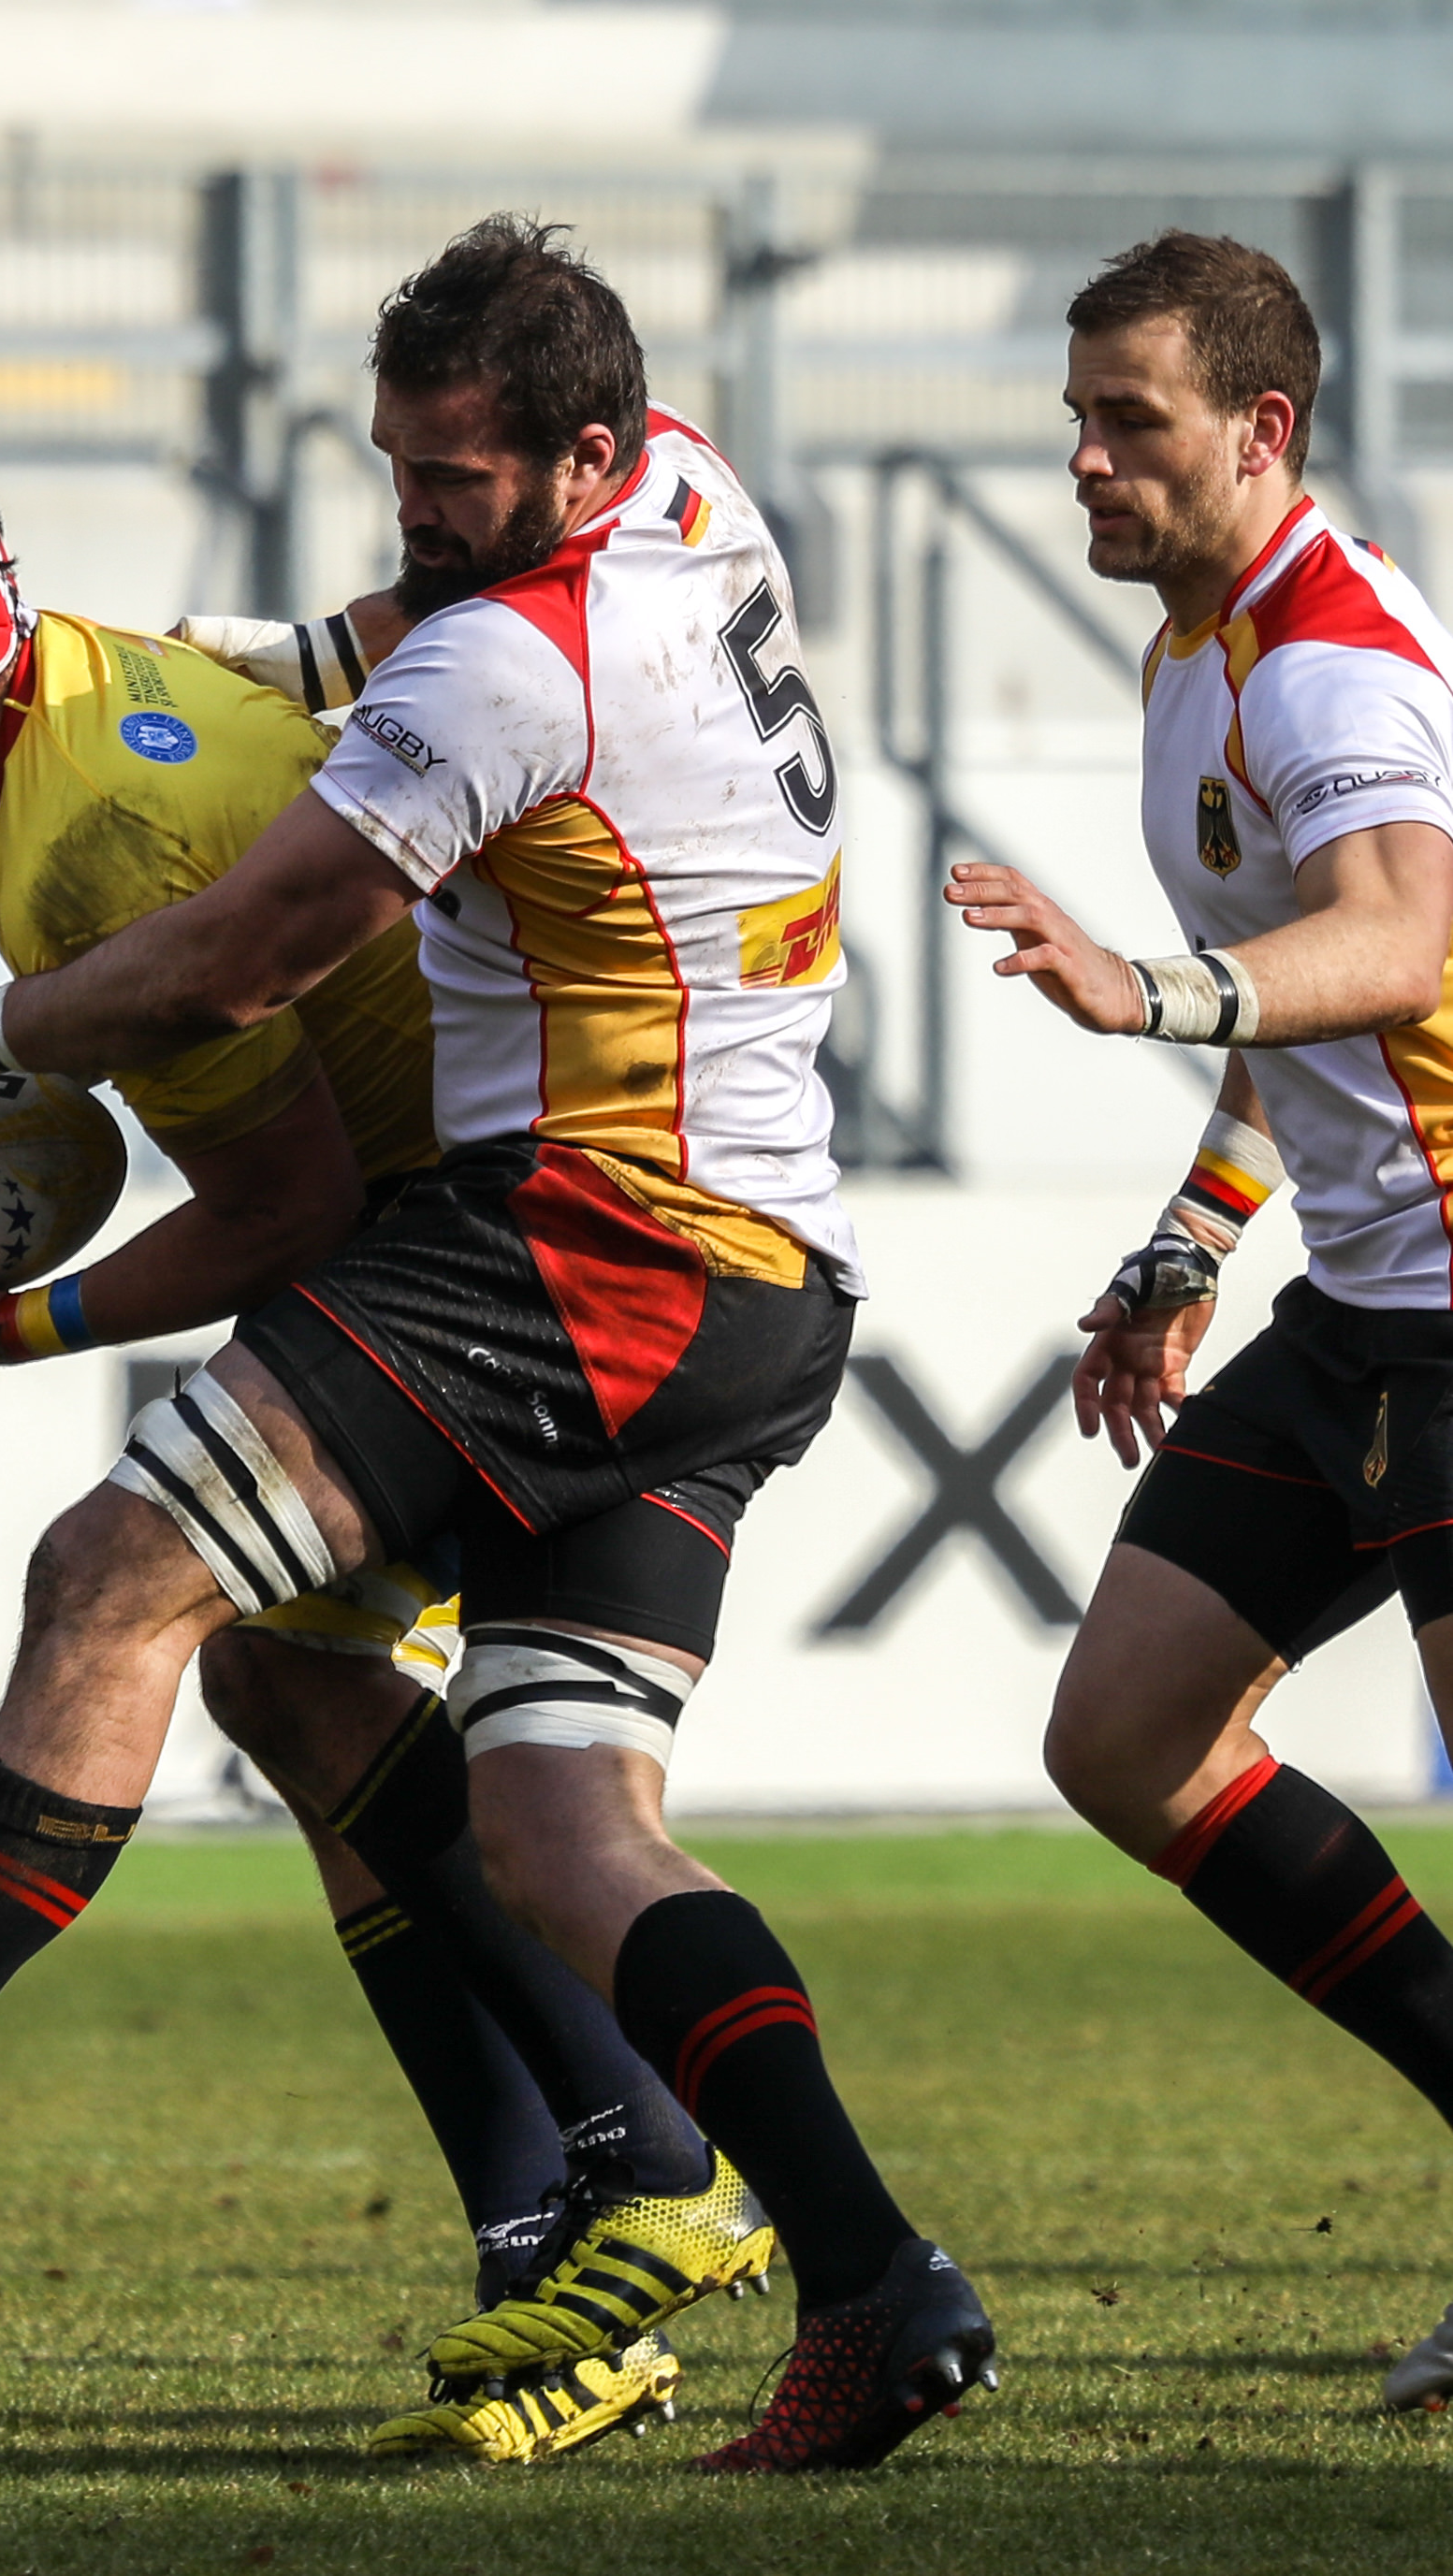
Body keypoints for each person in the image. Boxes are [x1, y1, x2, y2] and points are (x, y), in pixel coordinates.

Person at [0, 219, 993, 2476]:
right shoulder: (682, 495)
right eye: (394, 467)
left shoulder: (459, 688)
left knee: (112, 1580)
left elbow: (241, 982)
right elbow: (397, 639)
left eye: (451, 479)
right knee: (531, 1813)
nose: (414, 513)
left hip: (576, 1240)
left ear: (579, 451)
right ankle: (846, 2271)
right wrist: (277, 648)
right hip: (756, 1263)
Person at [0, 441, 767, 2460]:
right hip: (518, 1220)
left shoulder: (84, 836)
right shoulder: (80, 701)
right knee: (290, 1678)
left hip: (520, 1251)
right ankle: (570, 2221)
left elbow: (287, 1207)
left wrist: (14, 1317)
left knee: (122, 1589)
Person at [945, 233, 1453, 2412]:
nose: (1082, 458)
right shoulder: (1193, 650)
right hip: (1361, 1308)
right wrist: (1185, 1245)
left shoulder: (1325, 669)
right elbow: (1308, 1005)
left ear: (1258, 427)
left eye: (1126, 419)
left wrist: (1133, 988)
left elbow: (1399, 942)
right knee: (1124, 1740)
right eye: (1073, 416)